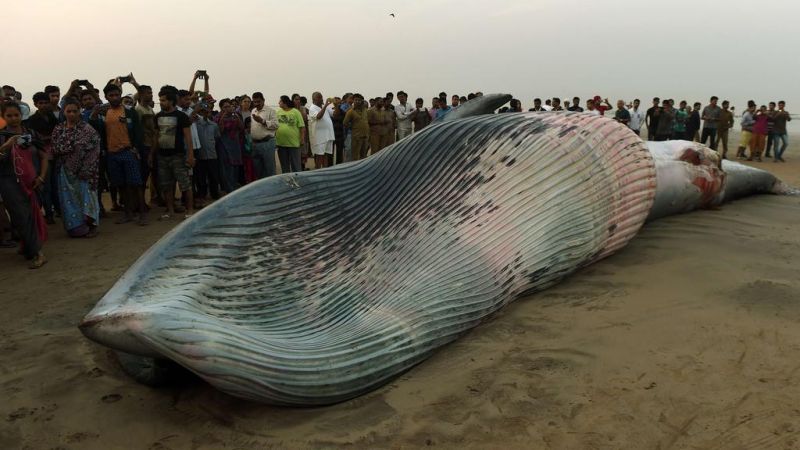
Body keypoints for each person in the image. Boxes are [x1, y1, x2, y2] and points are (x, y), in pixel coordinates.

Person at [89, 82, 147, 225]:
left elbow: (139, 132)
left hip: (128, 151)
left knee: (136, 184)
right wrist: (94, 115)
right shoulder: (104, 113)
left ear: (120, 95)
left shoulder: (129, 111)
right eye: (111, 95)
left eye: (117, 95)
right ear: (106, 97)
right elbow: (96, 129)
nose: (114, 97)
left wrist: (136, 149)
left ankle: (142, 215)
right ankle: (128, 214)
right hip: (112, 154)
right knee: (120, 185)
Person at [0, 102, 48, 268]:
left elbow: (44, 156)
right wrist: (7, 146)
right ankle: (38, 253)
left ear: (21, 115)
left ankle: (30, 246)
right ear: (3, 117)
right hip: (9, 182)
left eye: (16, 115)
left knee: (32, 215)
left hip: (31, 181)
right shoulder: (2, 136)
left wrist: (41, 177)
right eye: (9, 116)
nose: (13, 119)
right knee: (21, 216)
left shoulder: (31, 134)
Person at [51, 99, 101, 238]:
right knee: (69, 200)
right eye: (69, 111)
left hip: (84, 172)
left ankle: (91, 227)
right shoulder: (58, 129)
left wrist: (85, 168)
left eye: (75, 111)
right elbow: (55, 148)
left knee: (87, 198)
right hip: (64, 172)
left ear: (80, 112)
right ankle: (75, 228)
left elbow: (94, 150)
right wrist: (72, 148)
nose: (72, 114)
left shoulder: (88, 130)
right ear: (63, 112)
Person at [153, 85, 195, 219]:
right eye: (160, 100)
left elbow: (188, 137)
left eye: (164, 100)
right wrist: (151, 154)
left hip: (178, 155)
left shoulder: (181, 116)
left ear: (171, 101)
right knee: (166, 185)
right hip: (162, 156)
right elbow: (156, 136)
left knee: (184, 184)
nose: (161, 102)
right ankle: (170, 210)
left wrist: (190, 155)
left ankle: (190, 210)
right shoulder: (158, 116)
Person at [25, 92, 60, 224]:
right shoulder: (32, 120)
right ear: (35, 104)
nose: (44, 105)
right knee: (47, 186)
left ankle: (57, 210)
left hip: (55, 154)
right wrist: (46, 138)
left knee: (55, 185)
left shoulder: (52, 117)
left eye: (46, 102)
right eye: (41, 103)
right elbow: (33, 139)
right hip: (42, 156)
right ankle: (49, 214)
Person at [194, 104, 221, 201]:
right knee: (201, 177)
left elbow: (217, 138)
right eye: (203, 112)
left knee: (213, 176)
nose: (205, 114)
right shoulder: (196, 125)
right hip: (200, 156)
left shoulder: (214, 125)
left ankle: (214, 194)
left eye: (207, 112)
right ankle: (202, 194)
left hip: (212, 155)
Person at [216, 98, 244, 192]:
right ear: (221, 108)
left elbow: (241, 128)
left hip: (235, 144)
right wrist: (223, 119)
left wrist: (237, 117)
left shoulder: (235, 115)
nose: (227, 108)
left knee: (235, 166)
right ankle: (227, 188)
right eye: (225, 107)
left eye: (229, 106)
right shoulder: (218, 117)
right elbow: (219, 132)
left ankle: (234, 185)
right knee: (226, 166)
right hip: (224, 145)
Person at [250, 92, 278, 178]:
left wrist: (263, 121)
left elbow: (276, 125)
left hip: (267, 143)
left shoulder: (271, 111)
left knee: (269, 169)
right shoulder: (253, 111)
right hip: (255, 144)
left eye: (259, 101)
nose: (257, 104)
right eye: (255, 102)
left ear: (263, 100)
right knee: (258, 170)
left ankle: (272, 189)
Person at [276, 95, 305, 173]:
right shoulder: (278, 112)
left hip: (294, 144)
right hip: (281, 144)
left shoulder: (295, 112)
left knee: (296, 166)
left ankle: (298, 182)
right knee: (284, 167)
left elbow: (302, 126)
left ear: (285, 102)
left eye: (280, 101)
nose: (278, 103)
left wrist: (302, 139)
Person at [308, 92, 335, 169]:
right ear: (314, 99)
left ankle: (325, 171)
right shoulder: (312, 108)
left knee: (326, 155)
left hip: (328, 135)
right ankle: (318, 171)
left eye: (321, 97)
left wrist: (336, 105)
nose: (321, 99)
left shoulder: (324, 107)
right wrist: (326, 105)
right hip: (319, 137)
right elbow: (318, 116)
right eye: (319, 98)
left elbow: (334, 114)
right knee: (319, 155)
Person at [343, 94, 369, 161]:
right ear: (353, 101)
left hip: (365, 136)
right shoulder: (350, 111)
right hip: (356, 136)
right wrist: (352, 127)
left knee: (363, 155)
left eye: (359, 100)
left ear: (361, 101)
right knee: (355, 156)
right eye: (356, 100)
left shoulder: (365, 110)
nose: (357, 101)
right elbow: (345, 123)